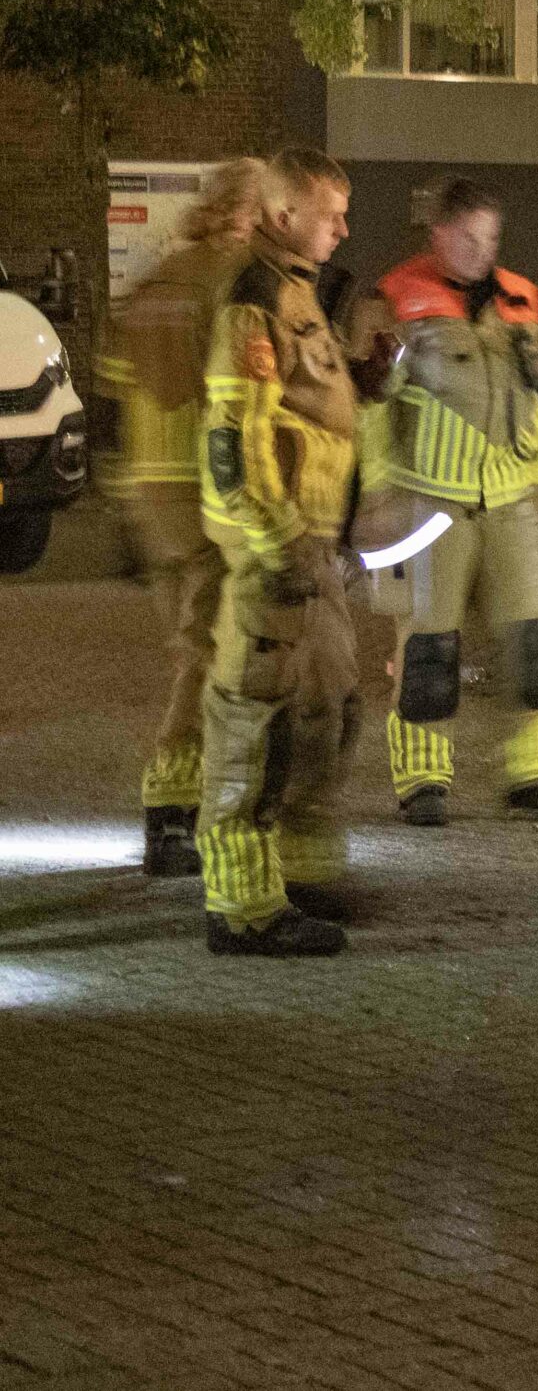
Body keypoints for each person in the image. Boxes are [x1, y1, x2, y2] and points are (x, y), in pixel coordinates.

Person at [349, 177, 538, 827]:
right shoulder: (396, 300)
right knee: (428, 651)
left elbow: (529, 403)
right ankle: (423, 783)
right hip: (431, 503)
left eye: (492, 238)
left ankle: (536, 776)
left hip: (511, 499)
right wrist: (379, 490)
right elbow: (372, 409)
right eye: (469, 237)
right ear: (439, 233)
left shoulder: (519, 298)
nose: (482, 251)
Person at [196, 149, 361, 958]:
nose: (343, 227)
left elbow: (302, 402)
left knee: (328, 702)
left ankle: (296, 868)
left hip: (312, 544)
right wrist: (279, 538)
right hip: (279, 547)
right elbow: (237, 440)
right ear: (286, 213)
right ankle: (242, 904)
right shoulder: (255, 296)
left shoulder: (293, 286)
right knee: (255, 717)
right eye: (331, 212)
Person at [93, 159, 269, 877]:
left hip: (148, 490)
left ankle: (194, 800)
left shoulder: (146, 288)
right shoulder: (235, 280)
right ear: (246, 213)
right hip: (206, 490)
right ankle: (171, 808)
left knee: (189, 649)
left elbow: (107, 403)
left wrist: (119, 505)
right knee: (207, 654)